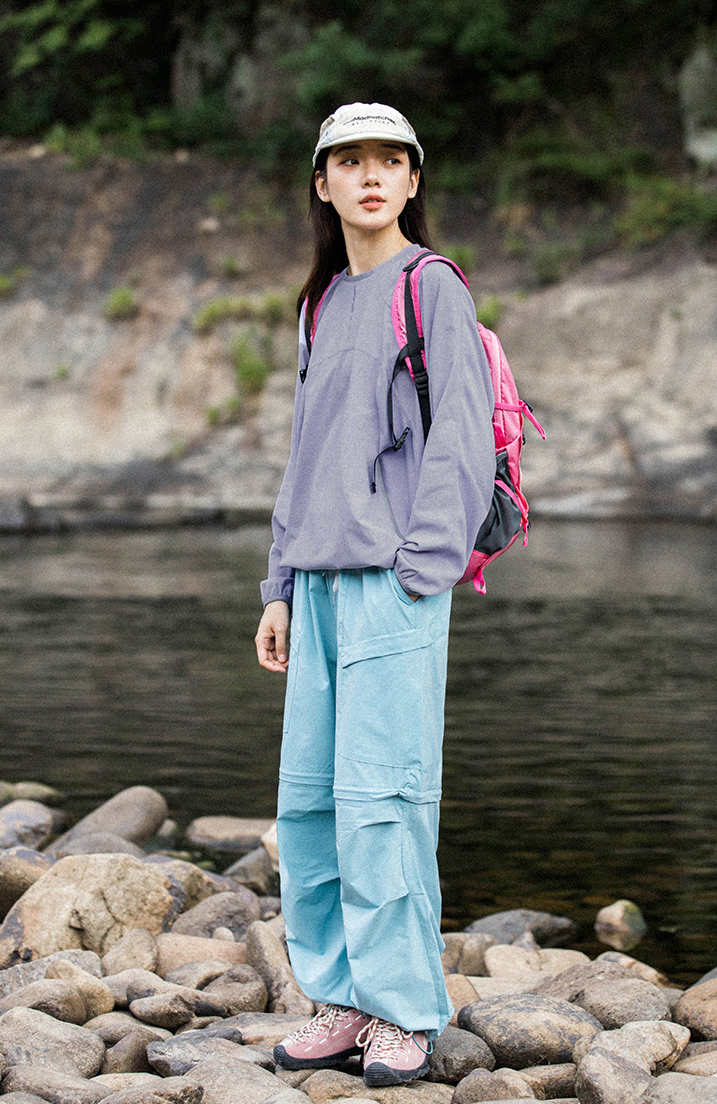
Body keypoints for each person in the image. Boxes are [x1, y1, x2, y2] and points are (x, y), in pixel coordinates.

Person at [255, 101, 496, 1087]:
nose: (368, 177)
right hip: (314, 585)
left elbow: (464, 438)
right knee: (313, 805)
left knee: (384, 800)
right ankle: (341, 996)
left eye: (387, 161)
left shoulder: (430, 285)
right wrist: (278, 583)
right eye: (348, 161)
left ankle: (403, 1011)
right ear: (322, 184)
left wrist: (420, 569)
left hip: (393, 584)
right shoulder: (320, 304)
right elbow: (305, 455)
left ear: (411, 180)